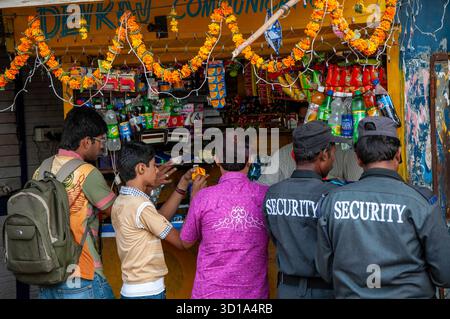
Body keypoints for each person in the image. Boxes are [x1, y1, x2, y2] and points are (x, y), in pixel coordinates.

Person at [315, 117, 450, 298]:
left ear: (358, 158)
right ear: (399, 154)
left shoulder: (332, 200)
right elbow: (445, 275)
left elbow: (325, 270)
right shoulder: (419, 201)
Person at [35, 106, 116, 299]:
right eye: (101, 141)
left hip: (48, 274)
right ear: (86, 141)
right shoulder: (86, 172)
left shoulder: (41, 169)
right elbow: (118, 211)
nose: (102, 147)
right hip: (82, 274)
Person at [264, 121, 348, 299]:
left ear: (294, 155)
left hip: (287, 290)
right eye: (333, 153)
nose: (334, 159)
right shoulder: (334, 196)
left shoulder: (273, 194)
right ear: (324, 155)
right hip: (326, 291)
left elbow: (275, 237)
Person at [112, 141, 207, 299]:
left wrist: (182, 183)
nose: (157, 170)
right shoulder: (140, 206)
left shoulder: (123, 201)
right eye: (153, 166)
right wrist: (195, 200)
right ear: (141, 168)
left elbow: (159, 220)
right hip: (148, 293)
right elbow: (183, 242)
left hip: (132, 290)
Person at [180, 138, 270, 299]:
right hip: (253, 295)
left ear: (217, 160)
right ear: (250, 160)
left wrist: (194, 199)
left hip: (209, 293)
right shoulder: (265, 195)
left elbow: (186, 241)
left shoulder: (203, 197)